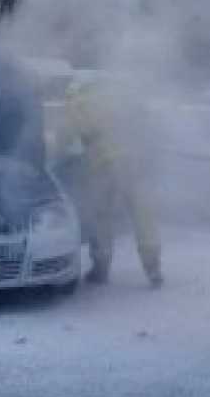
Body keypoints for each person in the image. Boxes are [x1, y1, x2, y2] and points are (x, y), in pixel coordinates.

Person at [63, 81, 163, 288]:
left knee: (101, 216)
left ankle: (101, 268)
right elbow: (147, 126)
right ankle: (153, 268)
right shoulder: (121, 98)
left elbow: (68, 135)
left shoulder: (79, 102)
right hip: (135, 163)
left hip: (103, 167)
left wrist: (58, 149)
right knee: (142, 215)